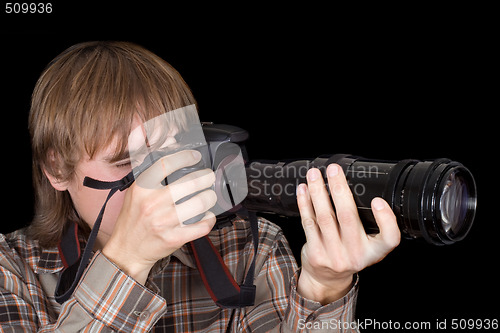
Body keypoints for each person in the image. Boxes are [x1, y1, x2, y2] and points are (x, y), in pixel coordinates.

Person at [0, 41, 400, 332]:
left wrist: (325, 290)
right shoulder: (10, 269)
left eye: (171, 153)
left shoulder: (253, 248)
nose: (155, 184)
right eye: (125, 163)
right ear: (56, 168)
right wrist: (127, 261)